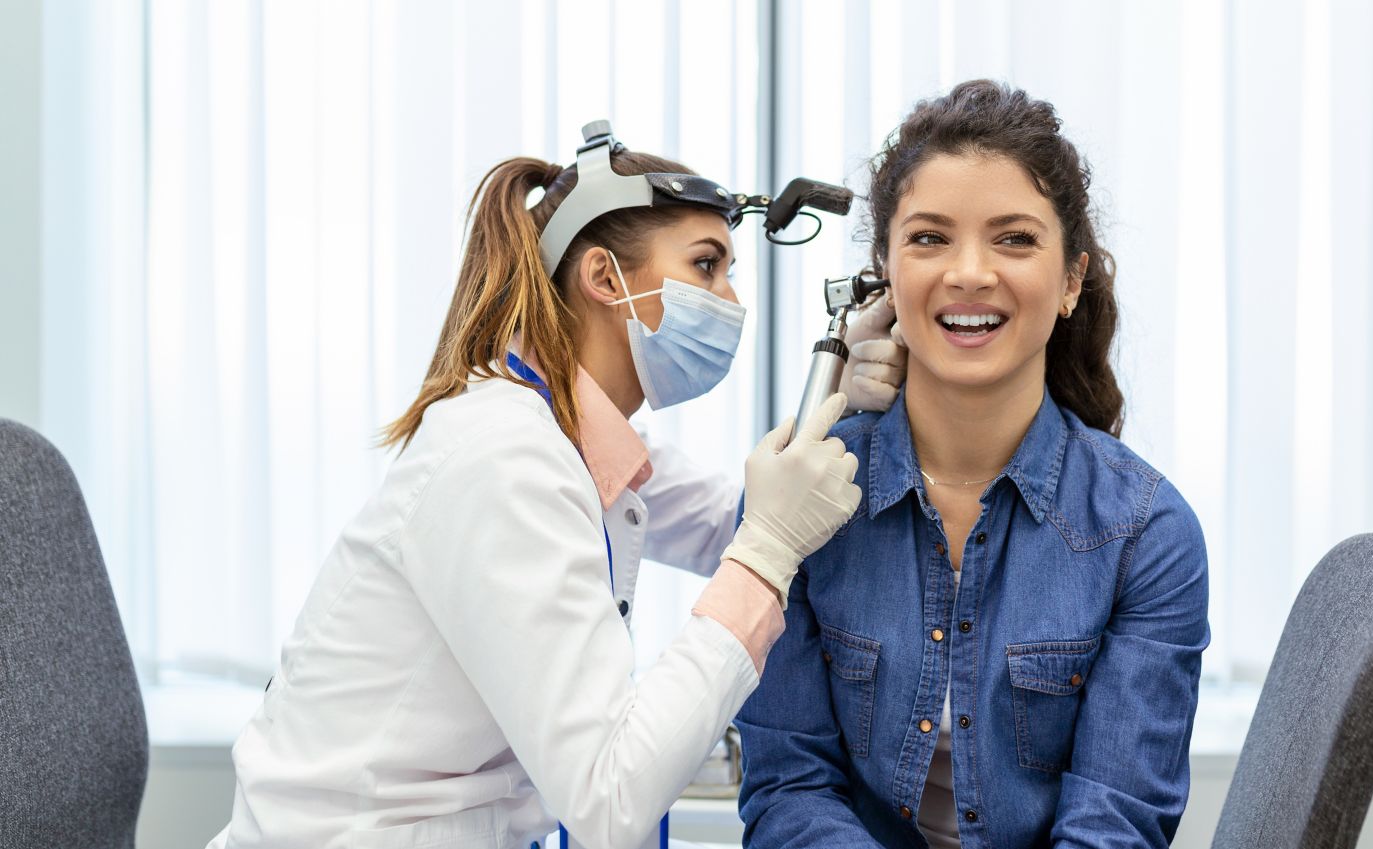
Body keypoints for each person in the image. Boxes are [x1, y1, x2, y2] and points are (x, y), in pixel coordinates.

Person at [206, 123, 903, 849]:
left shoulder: (563, 434)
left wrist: (836, 401)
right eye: (706, 265)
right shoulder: (505, 458)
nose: (730, 300)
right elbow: (611, 799)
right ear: (604, 278)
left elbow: (736, 520)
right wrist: (768, 544)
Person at [736, 80, 1211, 848]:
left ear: (1069, 281)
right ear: (884, 272)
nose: (968, 272)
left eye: (1014, 239)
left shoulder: (1144, 533)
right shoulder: (801, 501)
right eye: (928, 238)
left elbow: (1115, 823)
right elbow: (789, 787)